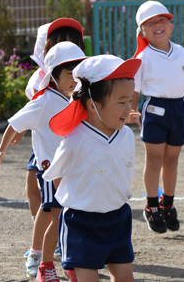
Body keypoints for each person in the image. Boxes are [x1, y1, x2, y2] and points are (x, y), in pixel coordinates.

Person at [0, 41, 86, 281]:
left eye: (79, 74)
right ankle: (43, 263)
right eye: (69, 74)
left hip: (71, 169)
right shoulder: (44, 100)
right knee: (56, 216)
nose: (75, 79)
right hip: (50, 172)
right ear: (53, 75)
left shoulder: (74, 97)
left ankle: (64, 260)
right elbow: (14, 123)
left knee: (63, 216)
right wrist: (1, 152)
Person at [43, 55, 141, 282]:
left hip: (118, 218)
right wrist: (75, 199)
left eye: (130, 101)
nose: (128, 109)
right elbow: (57, 176)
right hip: (81, 223)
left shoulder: (126, 135)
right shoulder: (75, 139)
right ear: (93, 104)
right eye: (121, 102)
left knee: (126, 278)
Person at [131, 1, 184, 234]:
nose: (157, 25)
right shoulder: (142, 57)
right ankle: (152, 205)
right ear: (142, 31)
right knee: (154, 160)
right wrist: (132, 109)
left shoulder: (183, 53)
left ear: (171, 26)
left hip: (177, 108)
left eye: (162, 20)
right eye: (150, 23)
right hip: (154, 108)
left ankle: (168, 204)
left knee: (172, 160)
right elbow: (134, 87)